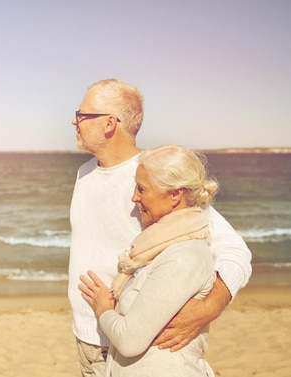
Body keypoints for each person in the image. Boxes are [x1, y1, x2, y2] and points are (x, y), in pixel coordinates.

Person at [67, 78, 252, 377]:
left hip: (127, 349)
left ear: (109, 124)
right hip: (86, 339)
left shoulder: (153, 176)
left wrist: (209, 307)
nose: (73, 121)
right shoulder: (84, 173)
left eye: (82, 114)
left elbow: (235, 252)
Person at [79, 144, 218, 376]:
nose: (134, 197)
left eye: (142, 189)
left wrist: (103, 307)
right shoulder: (156, 243)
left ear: (175, 194)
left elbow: (129, 340)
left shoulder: (185, 256)